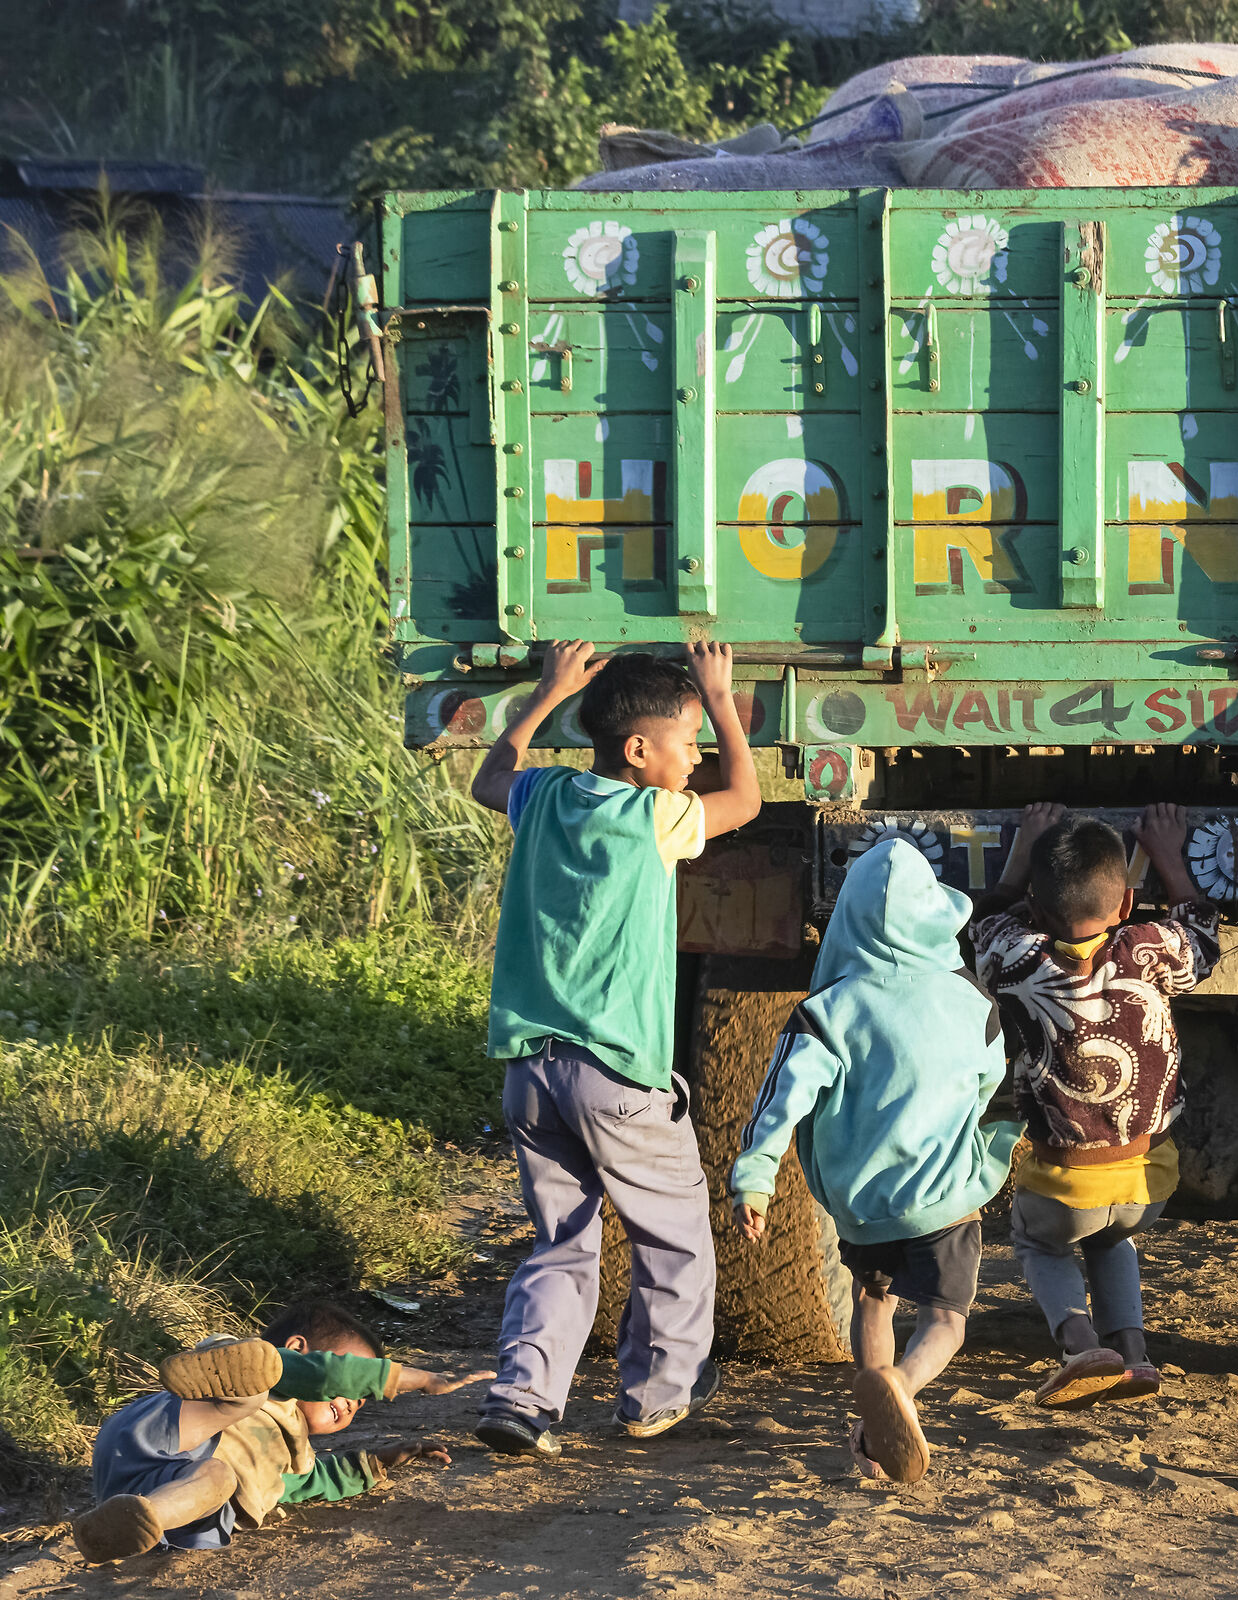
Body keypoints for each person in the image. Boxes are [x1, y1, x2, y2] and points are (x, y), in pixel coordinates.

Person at [467, 641, 762, 1457]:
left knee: (561, 1241)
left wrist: (545, 693)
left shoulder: (544, 795)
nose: (696, 758)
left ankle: (522, 1397)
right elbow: (746, 798)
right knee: (672, 1234)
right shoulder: (653, 818)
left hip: (531, 1071)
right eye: (689, 742)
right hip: (617, 1075)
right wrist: (722, 696)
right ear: (639, 750)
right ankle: (656, 1394)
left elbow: (489, 780)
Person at [730, 838, 1016, 1485]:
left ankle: (873, 1428)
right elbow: (991, 1088)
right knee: (945, 1320)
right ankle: (902, 1387)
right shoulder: (971, 1001)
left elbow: (780, 1099)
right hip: (945, 1195)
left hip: (863, 1204)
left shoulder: (826, 1012)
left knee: (872, 1299)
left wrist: (755, 1177)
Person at [969, 802, 1220, 1409]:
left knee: (1038, 1242)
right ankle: (1133, 1353)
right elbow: (1203, 939)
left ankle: (1080, 1345)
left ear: (1036, 908)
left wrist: (1022, 850)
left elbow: (983, 922)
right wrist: (1169, 859)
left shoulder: (1014, 955)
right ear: (1126, 904)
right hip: (1149, 1182)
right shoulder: (1149, 948)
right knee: (1111, 1239)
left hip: (1064, 1183)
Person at [72, 1304, 489, 1562]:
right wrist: (417, 1379)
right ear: (297, 1348)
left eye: (361, 1403)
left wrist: (377, 1462)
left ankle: (134, 1523)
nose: (352, 1402)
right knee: (253, 1390)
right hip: (169, 1431)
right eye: (353, 1385)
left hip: (161, 1491)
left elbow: (313, 1482)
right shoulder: (268, 1378)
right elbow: (320, 1375)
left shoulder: (288, 1455)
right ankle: (218, 1356)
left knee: (219, 1479)